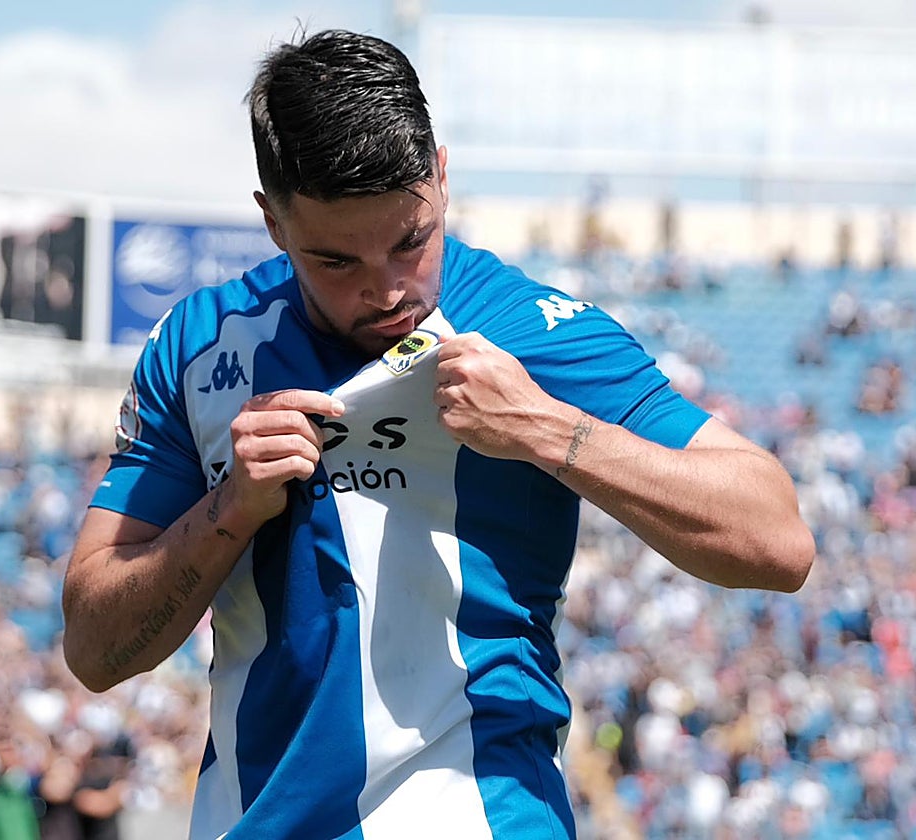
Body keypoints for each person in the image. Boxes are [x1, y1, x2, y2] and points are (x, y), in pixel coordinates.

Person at [61, 28, 815, 839]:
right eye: (337, 263)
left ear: (442, 178)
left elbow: (778, 540)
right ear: (272, 223)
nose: (387, 290)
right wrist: (230, 510)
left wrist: (545, 427)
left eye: (409, 242)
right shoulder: (199, 344)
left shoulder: (530, 331)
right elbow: (96, 651)